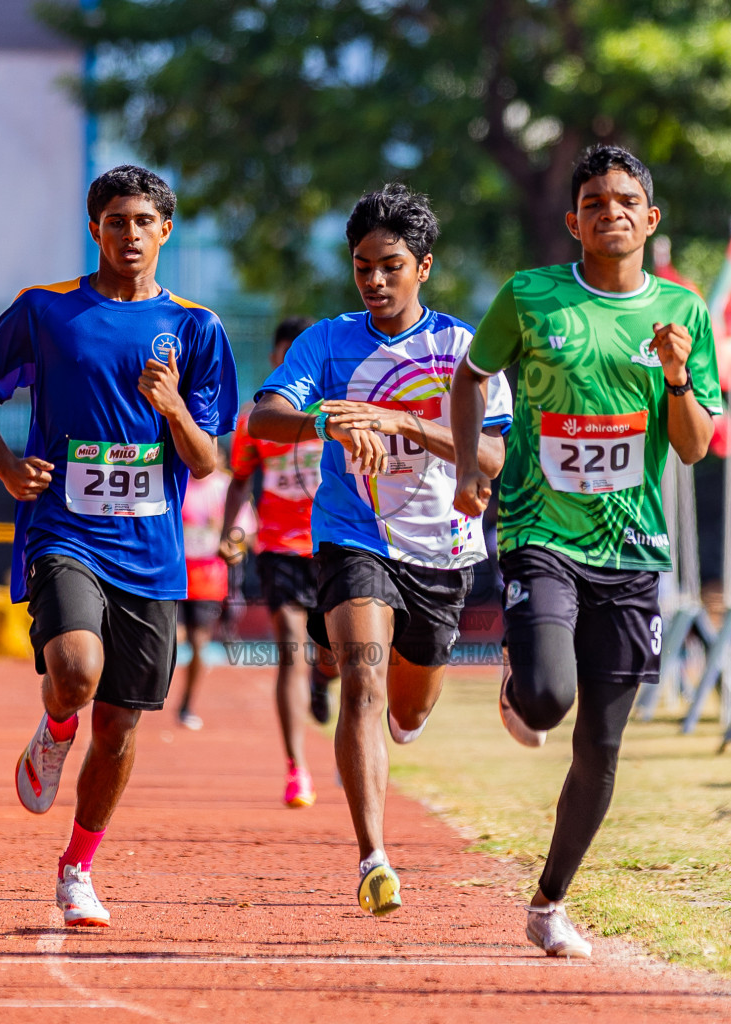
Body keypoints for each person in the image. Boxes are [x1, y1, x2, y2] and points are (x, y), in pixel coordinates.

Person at [451, 144, 721, 958]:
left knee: (601, 745)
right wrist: (469, 467)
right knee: (545, 701)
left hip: (633, 548)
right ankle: (519, 673)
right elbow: (469, 376)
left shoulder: (682, 314)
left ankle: (548, 902)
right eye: (595, 203)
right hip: (541, 533)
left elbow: (696, 447)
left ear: (651, 217)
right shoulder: (530, 299)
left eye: (626, 201)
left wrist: (676, 377)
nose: (611, 213)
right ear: (574, 220)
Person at [0, 164, 238, 928]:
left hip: (150, 547)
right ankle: (53, 727)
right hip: (64, 526)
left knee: (120, 726)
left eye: (145, 221)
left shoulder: (197, 329)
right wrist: (5, 463)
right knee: (76, 672)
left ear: (165, 230)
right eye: (116, 220)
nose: (131, 234)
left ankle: (78, 868)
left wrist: (174, 405)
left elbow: (208, 460)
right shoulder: (47, 311)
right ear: (95, 229)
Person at [248, 185, 512, 916]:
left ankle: (408, 715)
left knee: (407, 703)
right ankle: (373, 857)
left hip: (443, 552)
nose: (374, 280)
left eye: (391, 265)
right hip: (352, 536)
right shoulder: (327, 341)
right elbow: (265, 416)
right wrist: (326, 424)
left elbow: (490, 458)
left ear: (423, 266)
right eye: (362, 265)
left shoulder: (462, 348)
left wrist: (401, 421)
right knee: (360, 681)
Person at [221, 316, 338, 808]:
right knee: (291, 647)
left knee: (334, 654)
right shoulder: (258, 420)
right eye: (285, 358)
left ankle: (323, 677)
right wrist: (231, 528)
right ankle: (298, 769)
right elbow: (238, 480)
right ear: (274, 361)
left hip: (334, 545)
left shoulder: (336, 411)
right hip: (278, 547)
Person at [174, 446, 255, 730]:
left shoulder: (223, 487)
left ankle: (186, 704)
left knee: (198, 642)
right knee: (172, 636)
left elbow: (247, 529)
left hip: (208, 575)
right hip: (172, 571)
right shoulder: (174, 478)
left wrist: (228, 536)